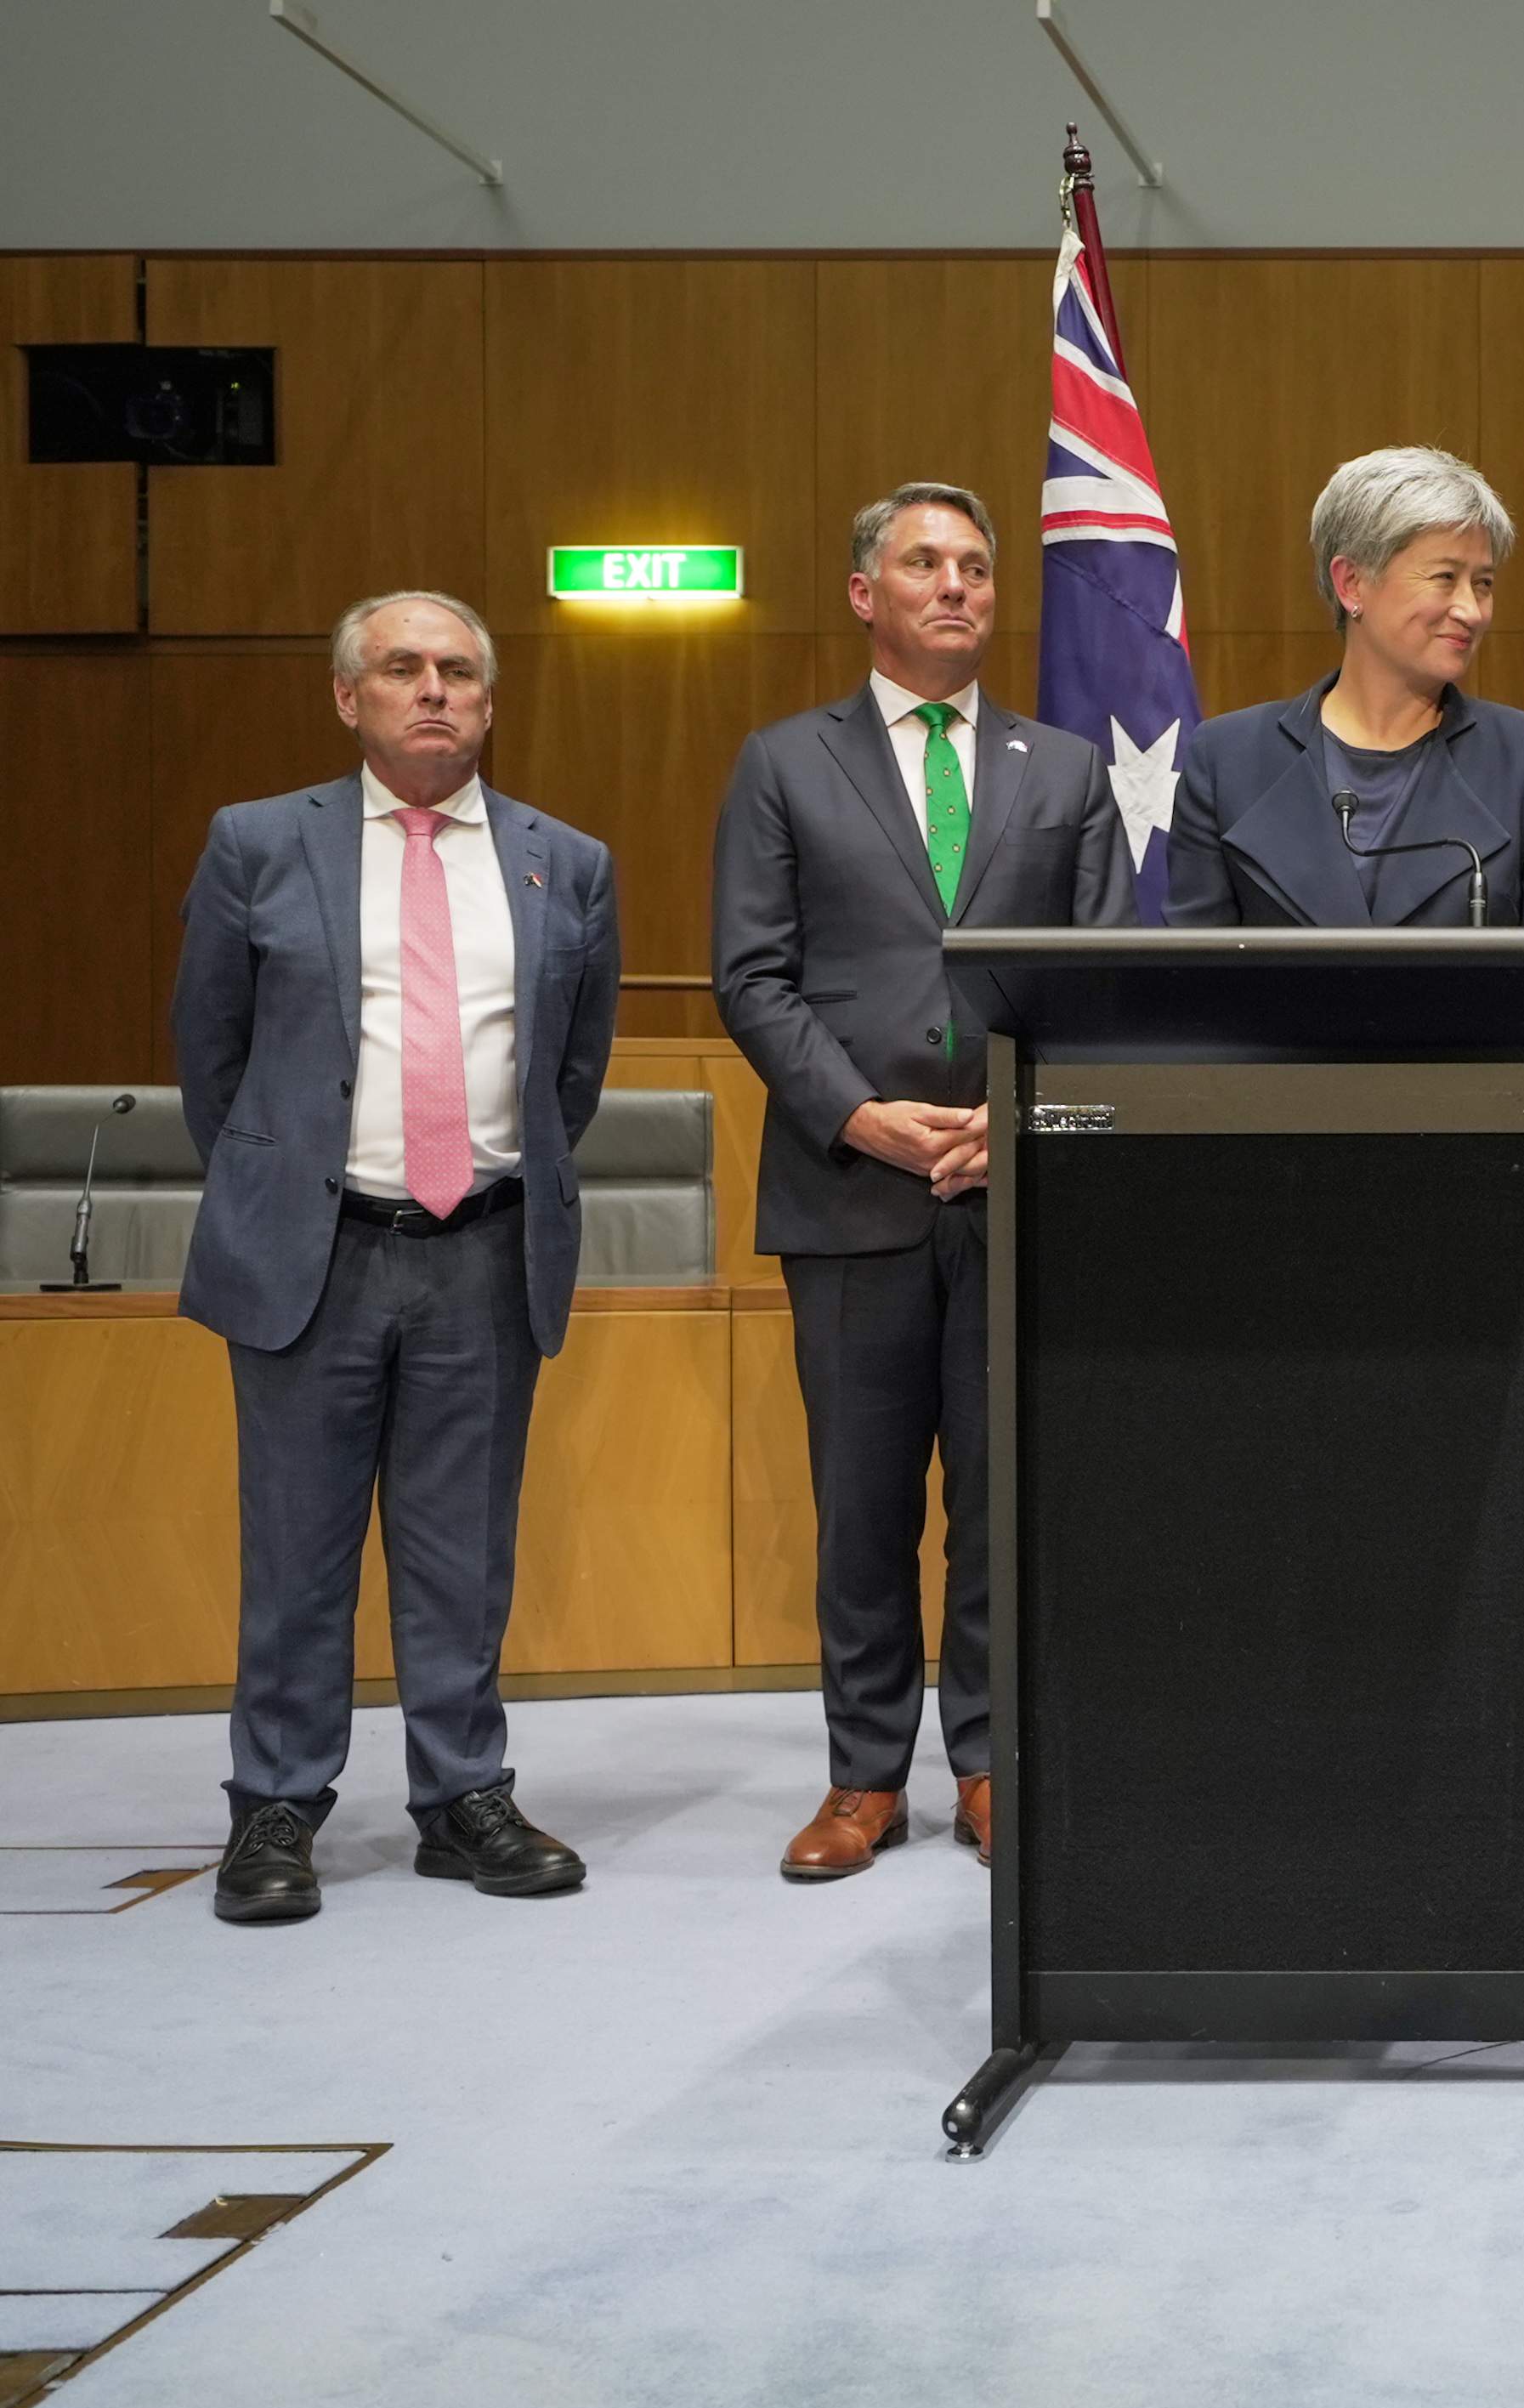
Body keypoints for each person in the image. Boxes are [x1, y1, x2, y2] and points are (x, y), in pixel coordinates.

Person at [173, 590, 620, 1923]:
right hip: (315, 1248)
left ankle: (460, 1797)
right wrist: (287, 1186)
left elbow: (572, 1071)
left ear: (489, 699)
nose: (434, 690)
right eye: (402, 668)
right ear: (347, 696)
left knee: (462, 1551)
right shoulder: (258, 843)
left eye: (460, 671)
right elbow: (211, 1054)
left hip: (481, 1251)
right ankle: (276, 1811)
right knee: (297, 1551)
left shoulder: (566, 861)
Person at [711, 483, 1134, 1882]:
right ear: (863, 591)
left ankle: (993, 1760)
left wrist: (1006, 1120)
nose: (952, 584)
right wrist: (863, 1115)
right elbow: (752, 977)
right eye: (922, 563)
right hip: (848, 1194)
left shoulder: (1064, 768)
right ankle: (859, 1776)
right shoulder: (784, 763)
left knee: (1008, 1500)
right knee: (865, 1504)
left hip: (1023, 1191)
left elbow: (1105, 973)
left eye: (971, 565)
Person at [1160, 445, 1524, 977]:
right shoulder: (1228, 759)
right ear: (1352, 584)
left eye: (1482, 583)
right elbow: (1190, 986)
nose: (1471, 610)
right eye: (1445, 578)